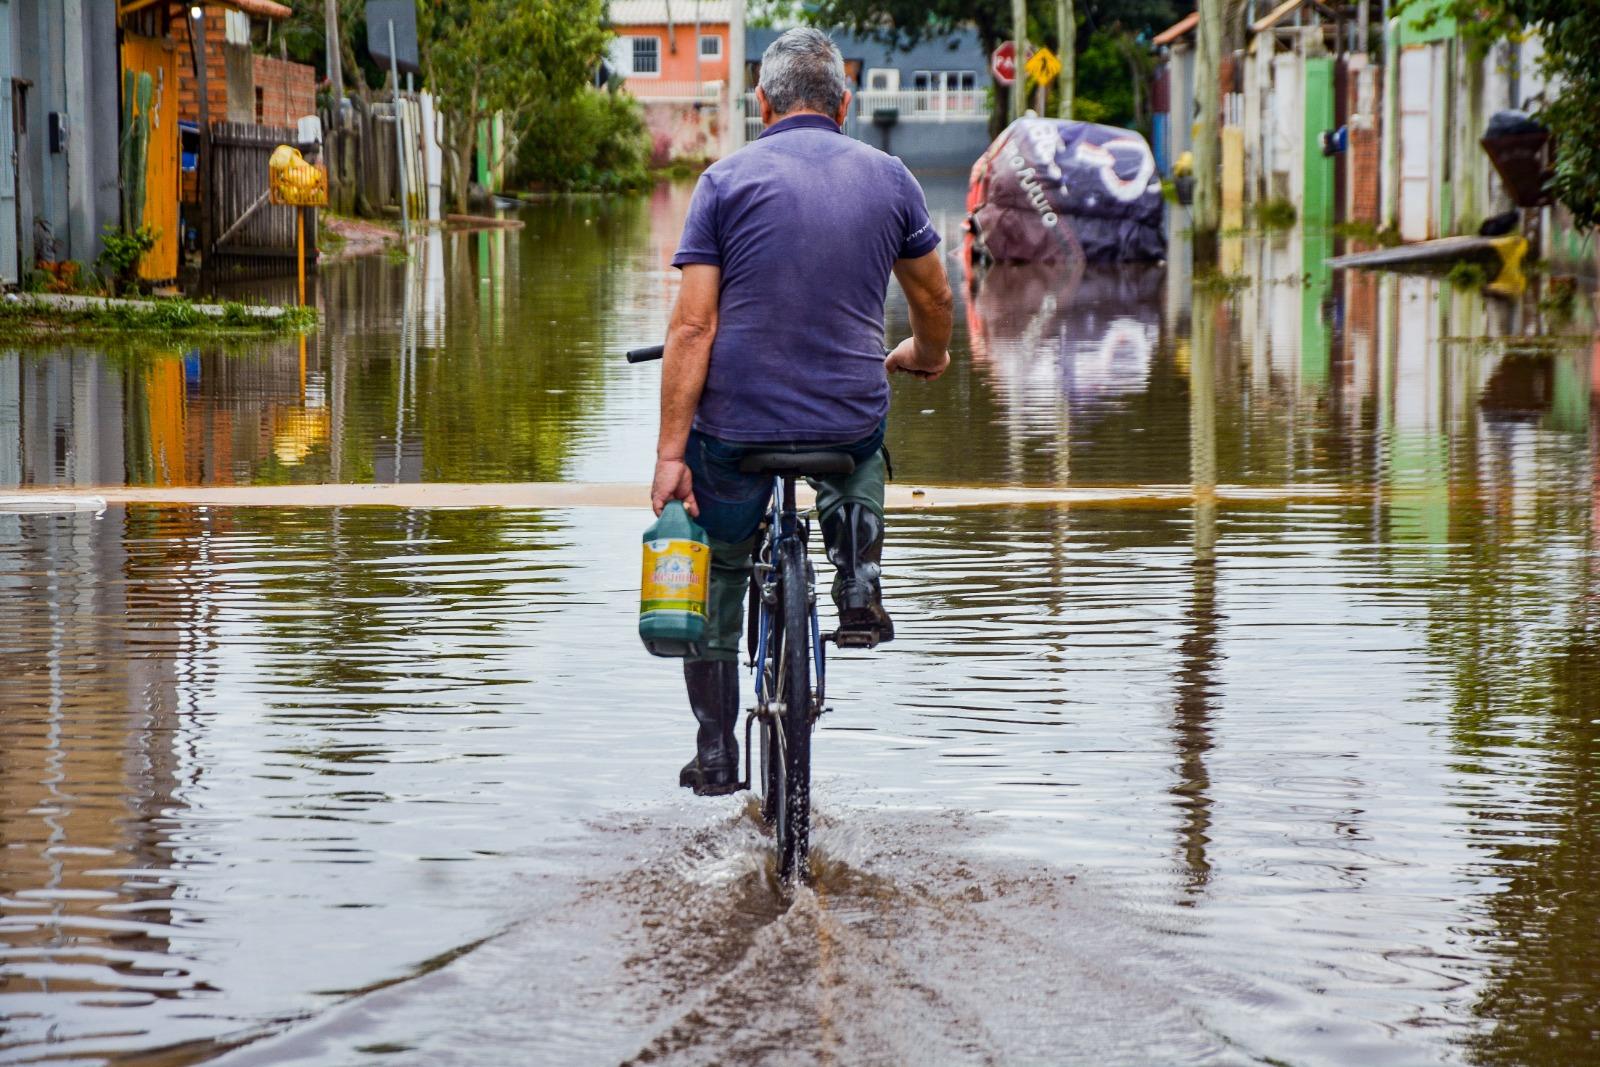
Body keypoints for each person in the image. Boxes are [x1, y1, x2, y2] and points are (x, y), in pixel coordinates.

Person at [651, 28, 954, 796]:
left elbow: (692, 327)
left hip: (735, 428)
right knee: (859, 453)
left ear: (762, 103)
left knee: (719, 562)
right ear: (845, 104)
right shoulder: (891, 179)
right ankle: (857, 582)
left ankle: (716, 747)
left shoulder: (721, 182)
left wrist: (668, 455)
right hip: (845, 417)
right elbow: (934, 297)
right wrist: (926, 353)